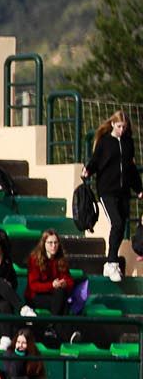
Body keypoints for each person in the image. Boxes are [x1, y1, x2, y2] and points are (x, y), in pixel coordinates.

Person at [84, 111, 138, 281]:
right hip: (107, 191)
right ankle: (112, 262)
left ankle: (109, 264)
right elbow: (96, 160)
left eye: (124, 127)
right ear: (113, 124)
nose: (122, 130)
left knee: (121, 228)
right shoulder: (105, 142)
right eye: (119, 126)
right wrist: (88, 170)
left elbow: (131, 168)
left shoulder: (129, 143)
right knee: (117, 223)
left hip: (123, 192)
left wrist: (139, 188)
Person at [26, 230, 79, 316]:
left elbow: (69, 280)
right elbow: (33, 286)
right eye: (50, 243)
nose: (53, 246)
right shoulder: (34, 259)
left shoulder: (60, 259)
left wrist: (64, 283)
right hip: (36, 296)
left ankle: (53, 327)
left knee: (61, 295)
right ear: (44, 244)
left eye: (56, 243)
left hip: (54, 295)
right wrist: (52, 285)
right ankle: (55, 327)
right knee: (62, 302)